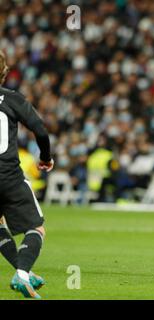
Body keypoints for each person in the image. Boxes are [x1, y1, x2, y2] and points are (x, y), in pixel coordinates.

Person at [0, 51, 54, 299]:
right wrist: (45, 157)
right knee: (36, 228)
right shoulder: (11, 99)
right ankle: (22, 274)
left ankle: (24, 273)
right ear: (4, 72)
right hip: (8, 175)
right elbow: (40, 131)